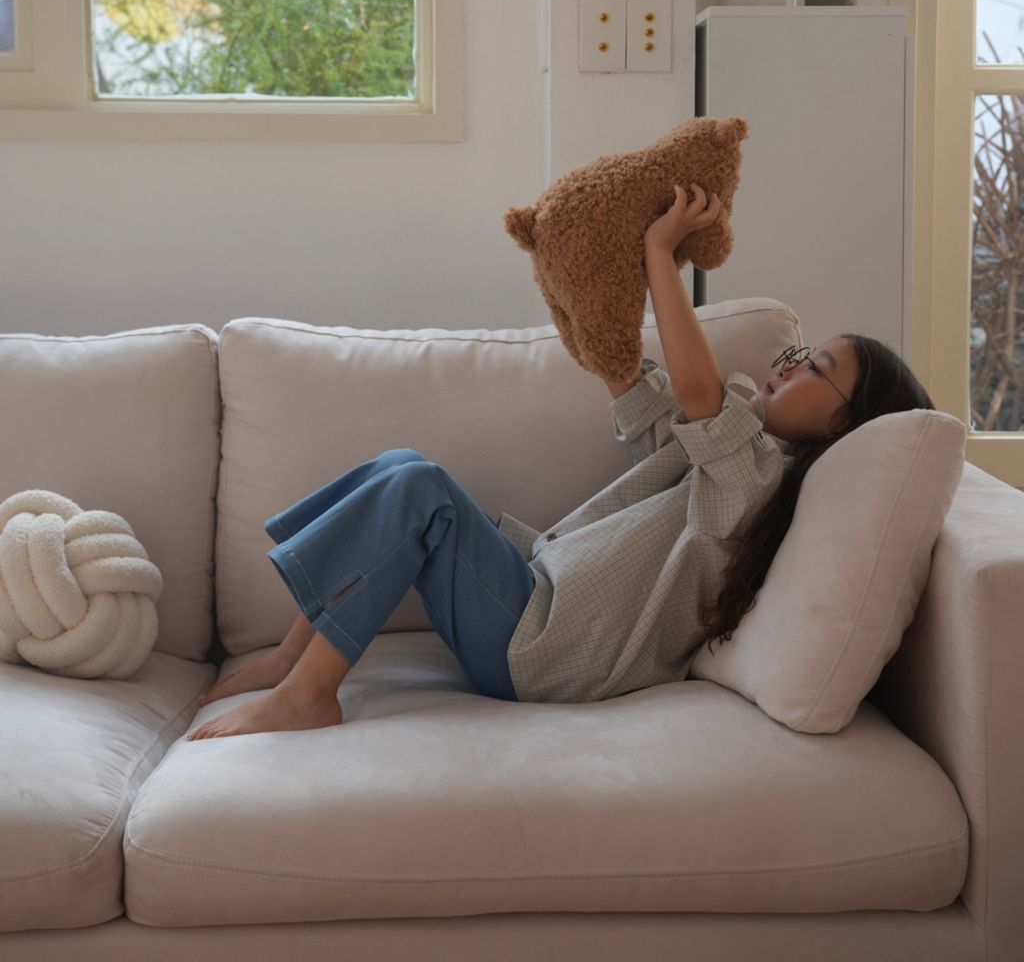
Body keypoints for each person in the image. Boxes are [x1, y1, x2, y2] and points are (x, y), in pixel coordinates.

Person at [187, 184, 934, 740]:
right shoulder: (724, 467)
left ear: (846, 423)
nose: (788, 364)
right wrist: (586, 276)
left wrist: (661, 256)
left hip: (547, 651)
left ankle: (309, 696)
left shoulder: (761, 480)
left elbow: (700, 394)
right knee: (400, 468)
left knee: (417, 487)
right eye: (800, 354)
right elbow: (632, 384)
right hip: (529, 606)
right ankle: (292, 657)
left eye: (814, 367)